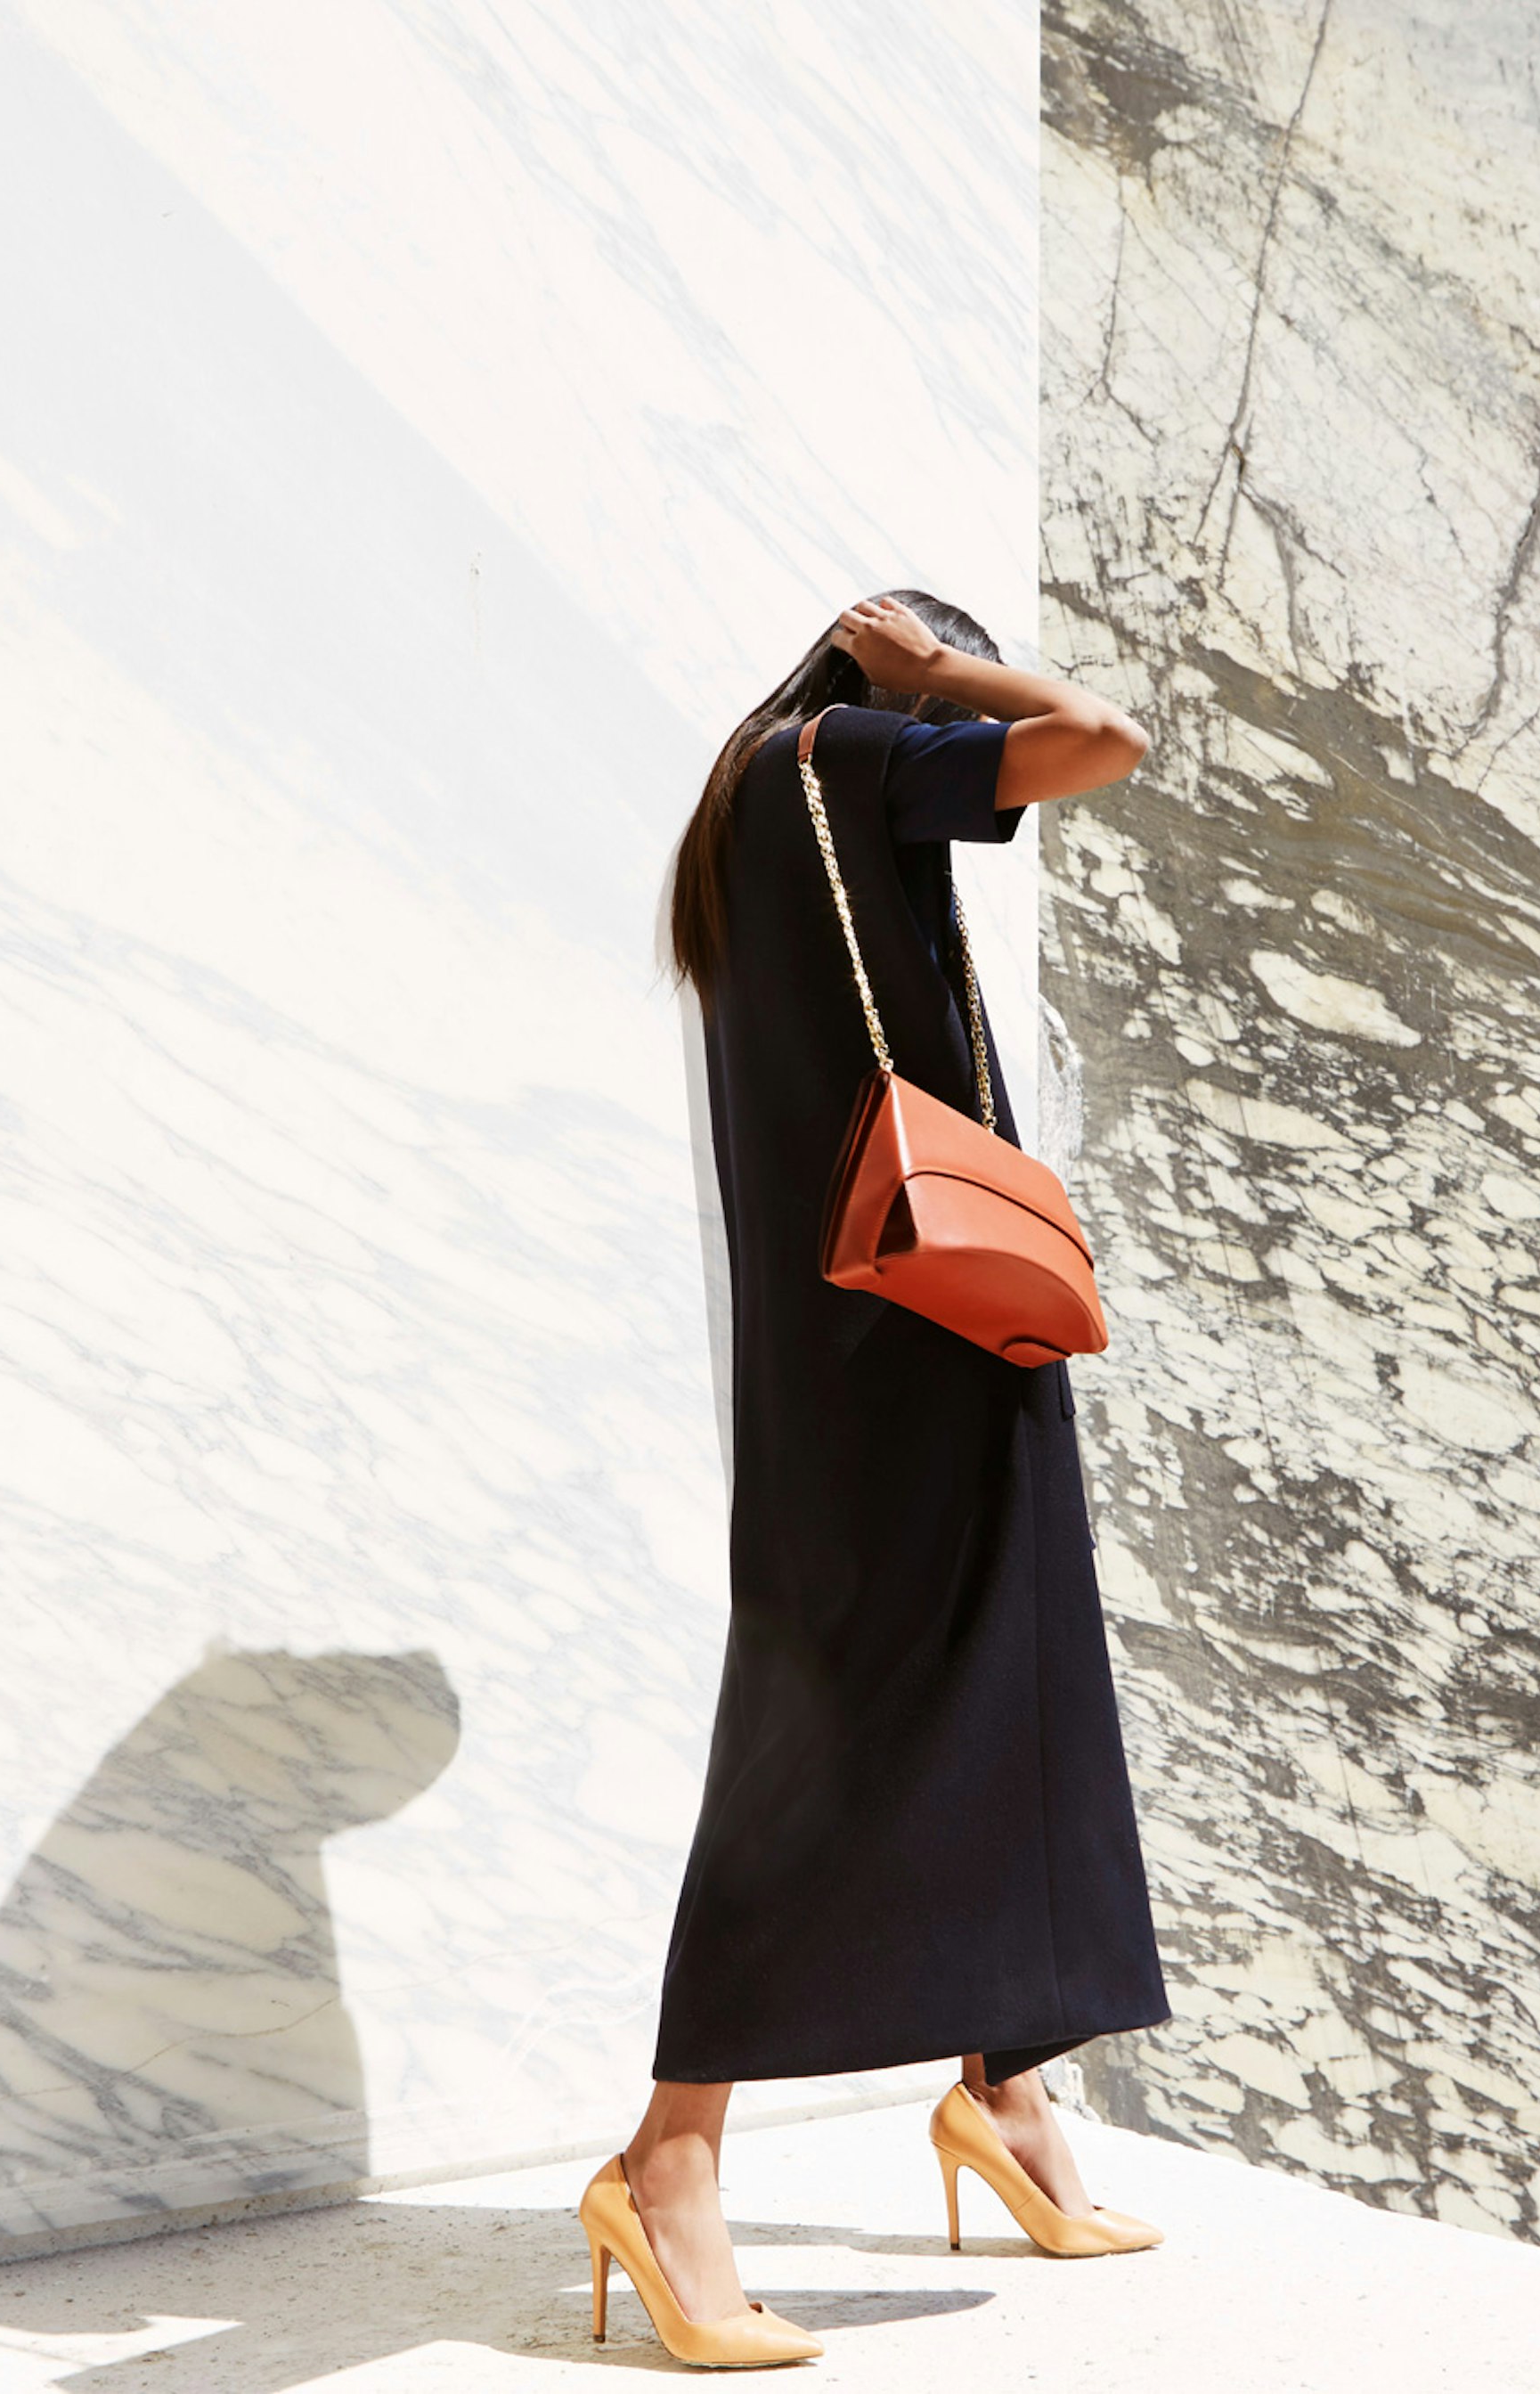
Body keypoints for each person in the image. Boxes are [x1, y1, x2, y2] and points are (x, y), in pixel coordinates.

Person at [574, 594, 1169, 2367]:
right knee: (825, 1725)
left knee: (1008, 1670)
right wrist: (939, 677)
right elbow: (1103, 741)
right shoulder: (836, 756)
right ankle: (666, 2161)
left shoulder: (760, 806)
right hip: (898, 1334)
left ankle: (1009, 2096)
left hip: (905, 1325)